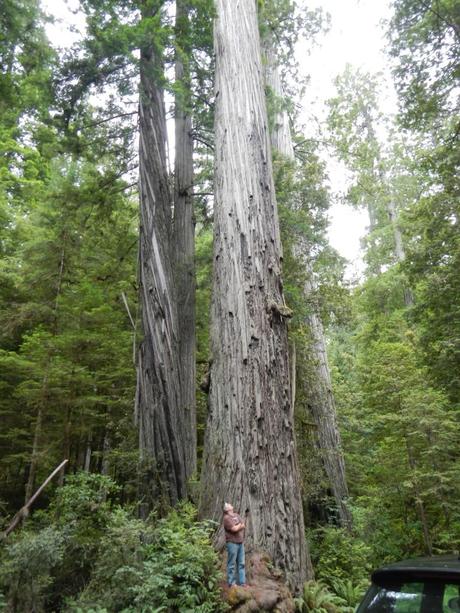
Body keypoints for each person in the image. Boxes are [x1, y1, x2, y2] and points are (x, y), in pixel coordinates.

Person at [223, 502, 247, 588]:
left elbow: (243, 525)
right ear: (227, 509)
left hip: (240, 542)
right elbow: (234, 529)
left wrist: (239, 526)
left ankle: (242, 582)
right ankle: (231, 583)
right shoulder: (226, 518)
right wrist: (239, 525)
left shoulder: (236, 515)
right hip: (232, 543)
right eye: (229, 504)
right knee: (232, 563)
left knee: (241, 563)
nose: (231, 504)